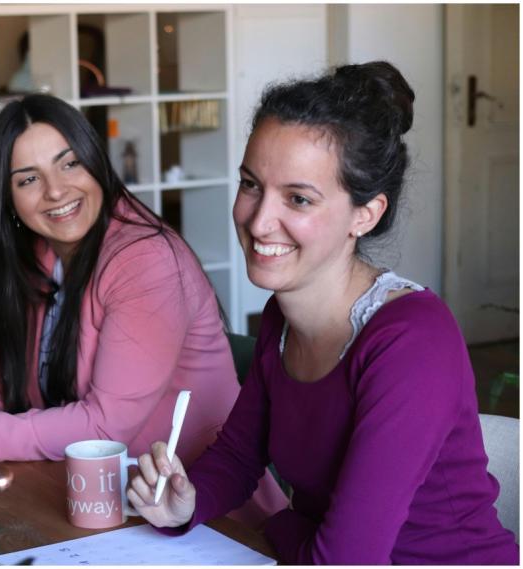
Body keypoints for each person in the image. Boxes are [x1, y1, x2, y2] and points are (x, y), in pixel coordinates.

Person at [126, 61, 519, 564]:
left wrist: (283, 529)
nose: (259, 221)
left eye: (298, 198)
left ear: (365, 215)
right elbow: (241, 455)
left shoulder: (412, 342)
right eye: (251, 184)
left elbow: (347, 558)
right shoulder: (281, 317)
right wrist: (186, 503)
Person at [0, 93, 287, 525]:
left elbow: (106, 427)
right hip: (98, 502)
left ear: (96, 163)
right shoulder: (38, 253)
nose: (56, 190)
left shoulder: (144, 259)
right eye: (28, 179)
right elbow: (4, 372)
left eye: (70, 163)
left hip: (202, 514)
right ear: (9, 198)